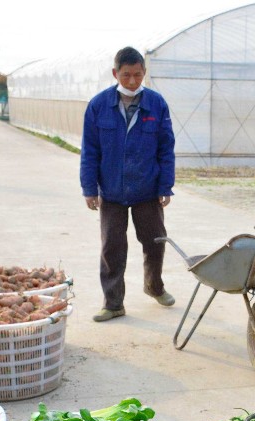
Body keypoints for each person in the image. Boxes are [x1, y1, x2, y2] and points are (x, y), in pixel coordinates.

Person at [81, 46, 176, 322]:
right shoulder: (98, 106)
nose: (132, 81)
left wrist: (165, 185)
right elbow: (90, 150)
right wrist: (89, 188)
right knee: (112, 247)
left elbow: (166, 149)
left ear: (144, 73)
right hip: (111, 191)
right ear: (115, 73)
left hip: (147, 189)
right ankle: (113, 303)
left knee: (155, 241)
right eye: (126, 75)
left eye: (137, 75)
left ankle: (154, 287)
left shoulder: (157, 104)